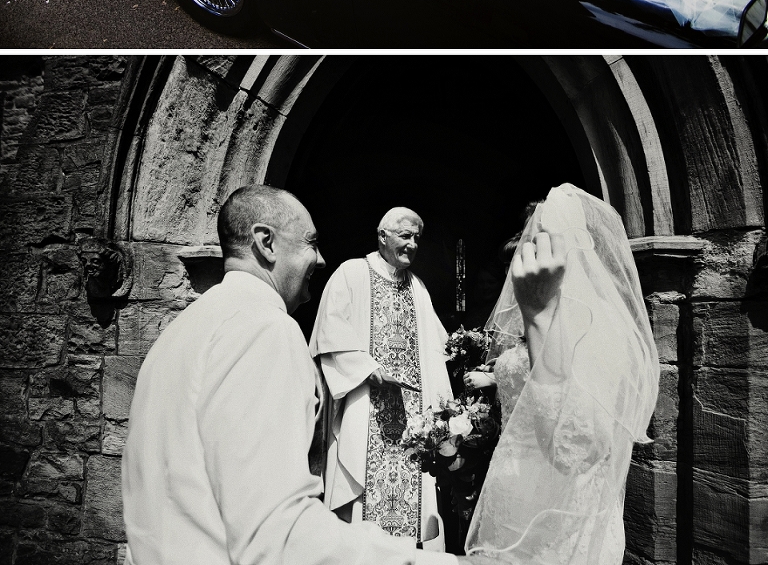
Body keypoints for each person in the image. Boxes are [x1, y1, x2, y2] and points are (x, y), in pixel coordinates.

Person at [122, 184, 441, 565]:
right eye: (311, 243)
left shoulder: (178, 333)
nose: (321, 260)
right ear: (265, 243)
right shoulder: (265, 328)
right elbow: (279, 538)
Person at [463, 184, 661, 565]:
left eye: (539, 242)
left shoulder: (599, 323)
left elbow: (572, 450)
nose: (531, 255)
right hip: (511, 485)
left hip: (559, 507)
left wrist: (538, 317)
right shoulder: (542, 309)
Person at [308, 207, 453, 544]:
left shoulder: (417, 287)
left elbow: (436, 346)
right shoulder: (352, 273)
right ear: (383, 236)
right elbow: (329, 329)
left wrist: (460, 349)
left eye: (417, 237)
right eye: (406, 235)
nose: (413, 244)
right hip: (366, 407)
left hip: (412, 418)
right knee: (360, 500)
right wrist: (369, 369)